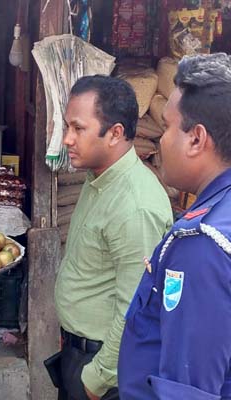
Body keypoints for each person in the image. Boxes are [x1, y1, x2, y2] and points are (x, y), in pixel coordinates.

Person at [118, 53, 231, 399]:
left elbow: (187, 391)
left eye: (169, 127)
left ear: (197, 139)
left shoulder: (205, 244)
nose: (161, 140)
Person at [53, 75, 173, 400]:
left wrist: (99, 377)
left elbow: (134, 304)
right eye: (67, 127)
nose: (67, 139)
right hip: (81, 354)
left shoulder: (135, 206)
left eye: (78, 128)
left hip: (105, 369)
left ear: (115, 134)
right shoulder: (100, 180)